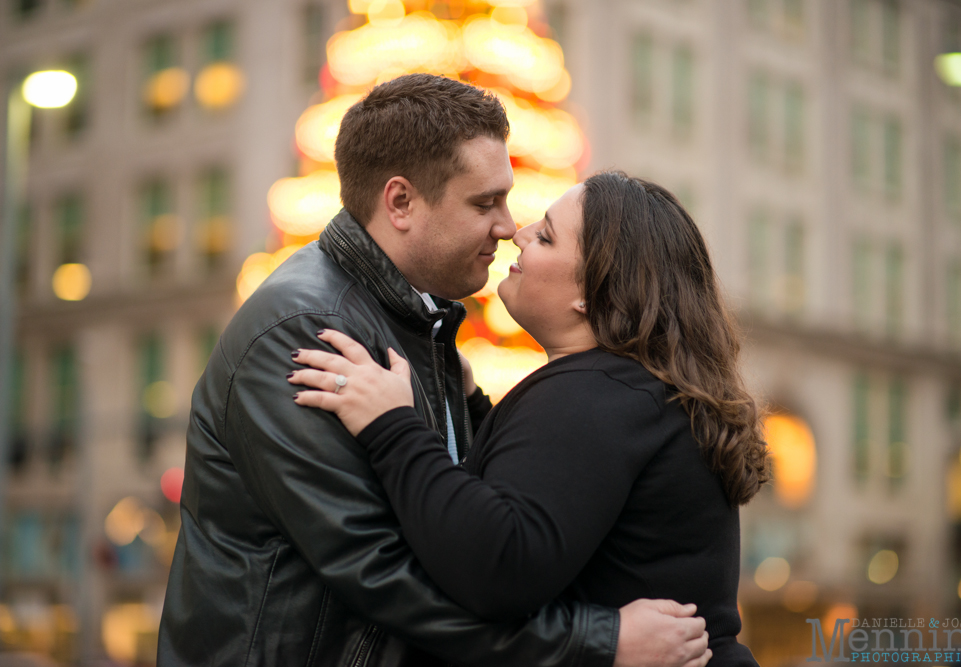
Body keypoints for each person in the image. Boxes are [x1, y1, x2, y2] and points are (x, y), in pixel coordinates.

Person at [158, 74, 713, 667]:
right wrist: (598, 640)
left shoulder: (420, 325)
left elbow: (469, 516)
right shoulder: (309, 329)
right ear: (401, 202)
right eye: (484, 202)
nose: (508, 226)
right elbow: (377, 570)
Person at [288, 172, 771, 667]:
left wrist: (392, 426)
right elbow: (556, 497)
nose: (517, 234)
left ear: (592, 293)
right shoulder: (634, 392)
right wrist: (474, 406)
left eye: (544, 236)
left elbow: (497, 565)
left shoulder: (594, 395)